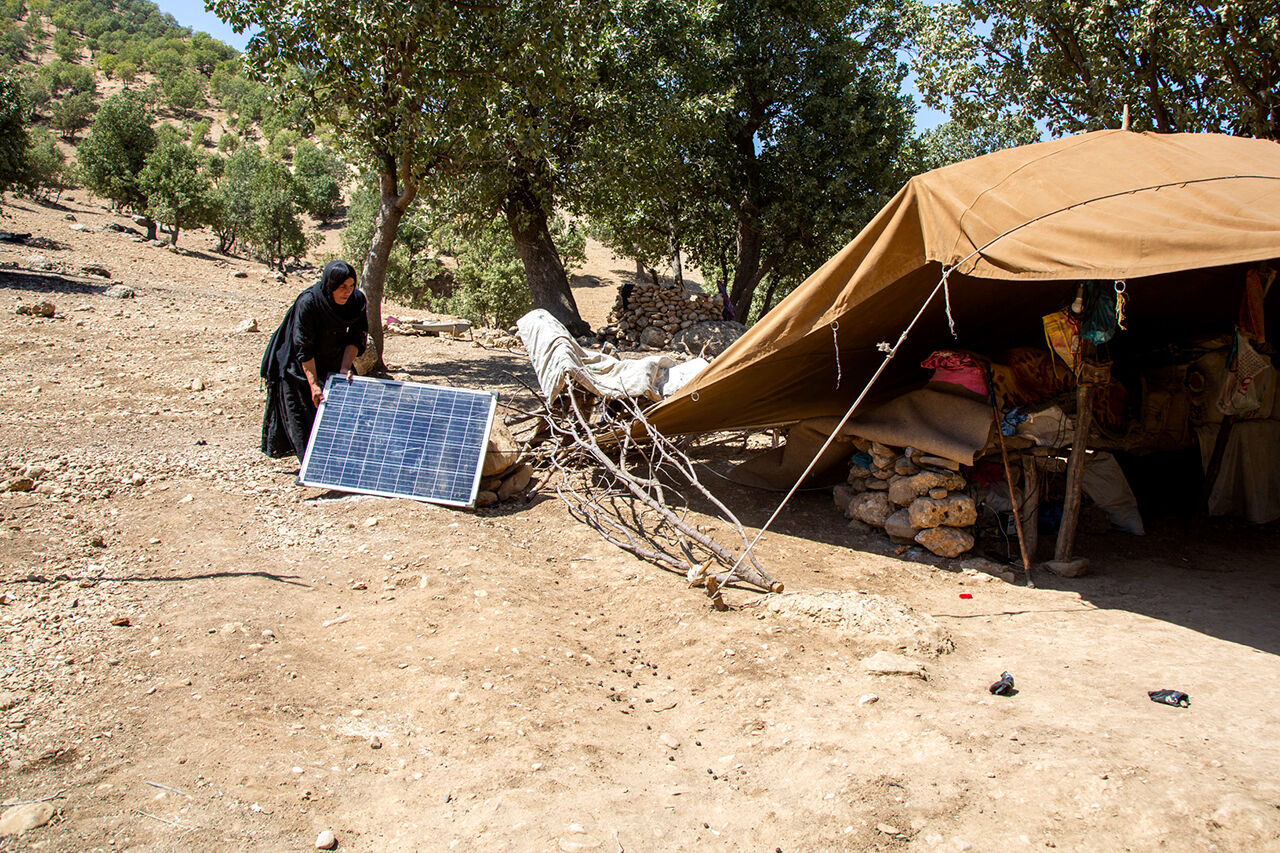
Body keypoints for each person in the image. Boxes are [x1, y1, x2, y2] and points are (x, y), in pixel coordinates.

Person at [260, 260, 368, 460]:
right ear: (330, 285)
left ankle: (341, 460)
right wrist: (313, 384)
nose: (347, 291)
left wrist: (344, 368)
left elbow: (356, 337)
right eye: (342, 287)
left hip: (332, 355)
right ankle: (313, 466)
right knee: (304, 414)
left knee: (343, 409)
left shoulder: (356, 302)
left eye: (351, 286)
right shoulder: (309, 302)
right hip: (298, 361)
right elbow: (304, 347)